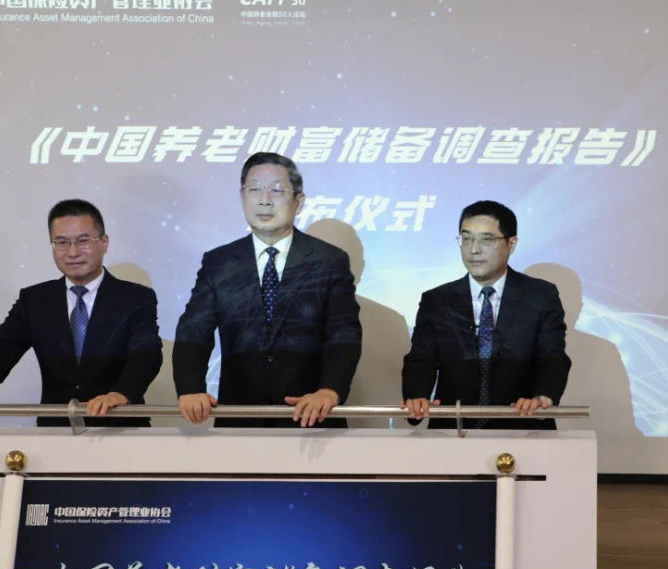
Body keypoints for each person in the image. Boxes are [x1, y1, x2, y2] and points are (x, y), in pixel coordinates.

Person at [173, 152, 362, 427]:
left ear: (298, 202)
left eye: (276, 190)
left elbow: (343, 333)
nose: (264, 200)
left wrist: (330, 390)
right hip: (240, 419)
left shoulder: (329, 261)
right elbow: (193, 330)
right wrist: (190, 388)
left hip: (311, 417)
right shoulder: (220, 263)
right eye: (254, 190)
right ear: (242, 198)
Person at [0, 199, 162, 426]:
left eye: (83, 241)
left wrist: (121, 394)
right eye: (62, 243)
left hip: (120, 426)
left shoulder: (136, 298)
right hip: (56, 428)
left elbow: (146, 353)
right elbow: (0, 348)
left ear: (104, 243)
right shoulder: (35, 300)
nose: (72, 252)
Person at [401, 200, 570, 429]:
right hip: (453, 432)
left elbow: (552, 356)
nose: (474, 250)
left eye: (486, 240)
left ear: (511, 244)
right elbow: (421, 359)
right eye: (466, 239)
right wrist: (417, 397)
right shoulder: (437, 300)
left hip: (523, 428)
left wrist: (543, 396)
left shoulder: (540, 296)